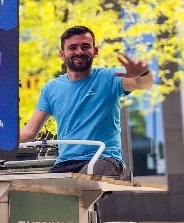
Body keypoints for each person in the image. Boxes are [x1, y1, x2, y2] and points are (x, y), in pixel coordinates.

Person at [19, 25, 155, 177]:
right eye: (72, 47)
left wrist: (143, 74)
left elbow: (142, 83)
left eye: (85, 46)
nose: (79, 52)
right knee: (36, 190)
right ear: (62, 54)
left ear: (95, 51)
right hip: (65, 163)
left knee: (81, 182)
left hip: (104, 158)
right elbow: (29, 132)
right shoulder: (50, 89)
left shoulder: (111, 77)